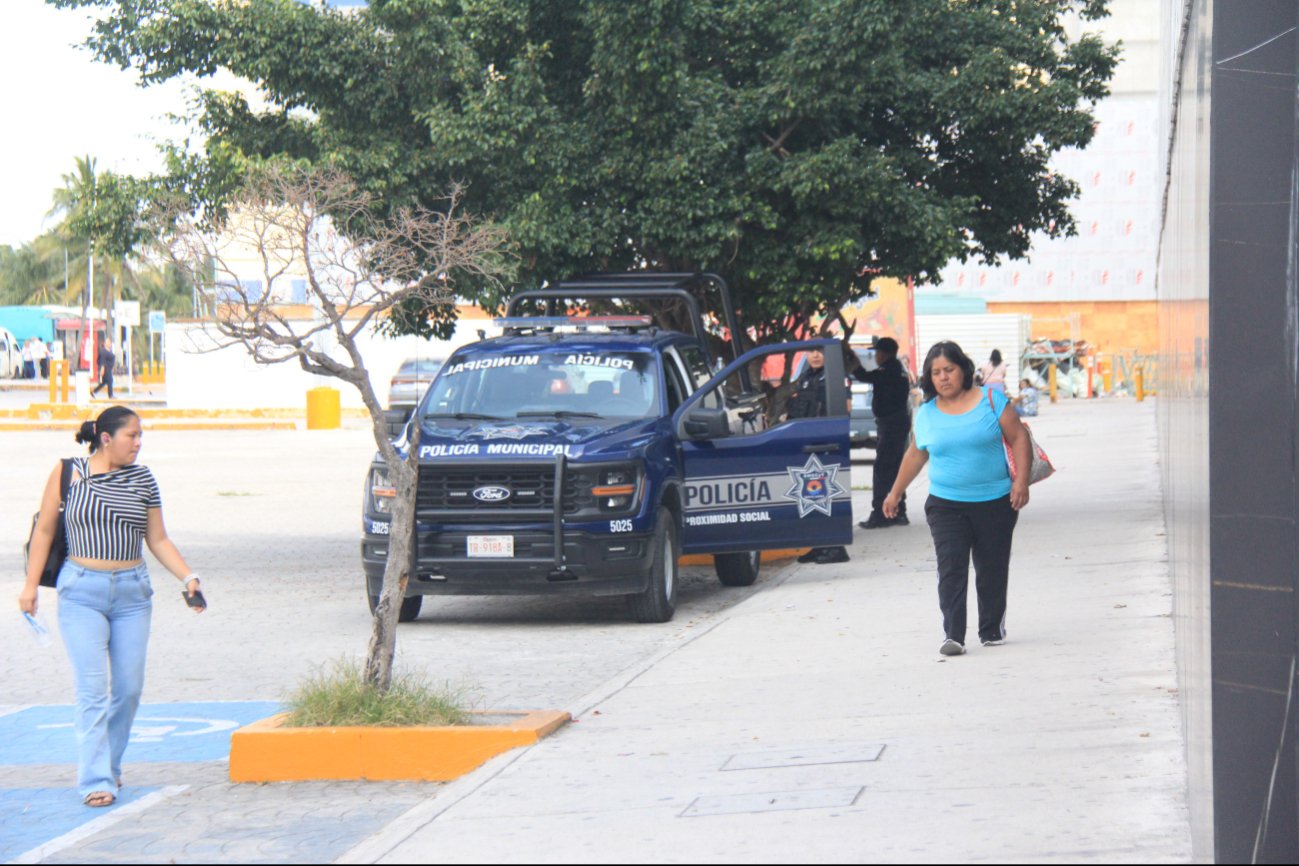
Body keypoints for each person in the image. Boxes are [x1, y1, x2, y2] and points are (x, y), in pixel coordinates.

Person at [17, 406, 206, 807]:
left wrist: (188, 577)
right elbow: (46, 530)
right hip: (81, 591)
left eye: (141, 437)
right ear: (106, 438)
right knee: (91, 691)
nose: (138, 443)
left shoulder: (144, 478)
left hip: (132, 596)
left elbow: (158, 539)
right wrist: (30, 587)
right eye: (131, 436)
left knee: (129, 689)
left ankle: (111, 764)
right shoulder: (69, 473)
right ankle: (96, 779)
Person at [881, 341, 1033, 657]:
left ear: (963, 369)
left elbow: (1018, 437)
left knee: (991, 568)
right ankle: (953, 634)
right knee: (951, 566)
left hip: (996, 501)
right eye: (936, 372)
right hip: (946, 504)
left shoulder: (991, 399)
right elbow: (915, 453)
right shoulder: (926, 413)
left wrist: (1021, 482)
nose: (943, 377)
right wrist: (895, 492)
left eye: (949, 370)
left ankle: (991, 629)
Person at [787, 345, 851, 565]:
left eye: (819, 351)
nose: (815, 355)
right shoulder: (805, 377)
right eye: (811, 351)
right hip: (807, 442)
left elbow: (846, 406)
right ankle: (819, 544)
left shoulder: (834, 376)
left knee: (826, 496)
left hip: (827, 443)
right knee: (811, 497)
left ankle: (836, 548)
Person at [851, 337, 913, 528]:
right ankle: (898, 511)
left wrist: (851, 360)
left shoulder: (889, 370)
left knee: (883, 469)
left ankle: (880, 513)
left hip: (891, 425)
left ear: (885, 353)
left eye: (877, 352)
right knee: (894, 468)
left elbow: (863, 376)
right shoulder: (898, 369)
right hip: (897, 423)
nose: (875, 356)